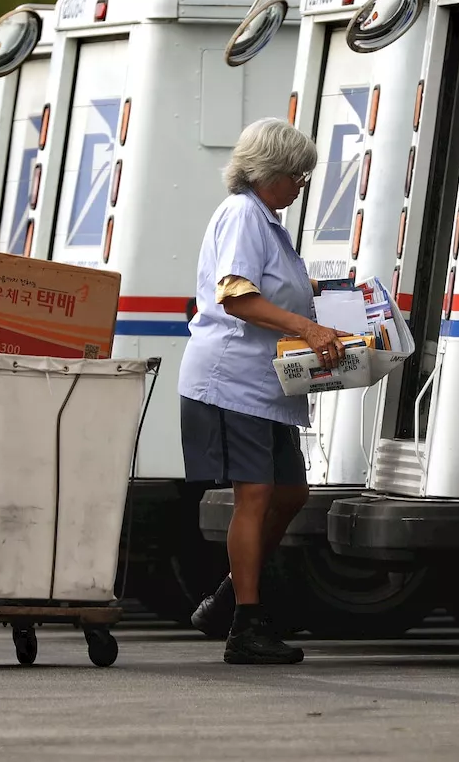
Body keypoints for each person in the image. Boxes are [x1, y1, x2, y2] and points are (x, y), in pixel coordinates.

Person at [179, 118, 349, 665]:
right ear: (269, 172)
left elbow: (272, 288)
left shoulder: (266, 221)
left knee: (291, 492)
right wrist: (308, 328)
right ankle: (245, 626)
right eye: (298, 175)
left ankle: (229, 596)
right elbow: (236, 297)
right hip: (234, 380)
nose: (301, 186)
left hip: (264, 385)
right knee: (254, 495)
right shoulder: (242, 216)